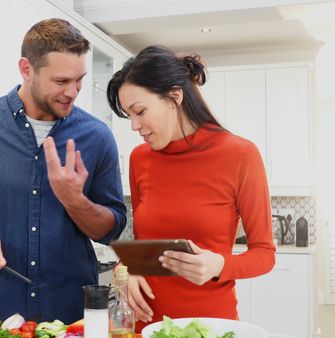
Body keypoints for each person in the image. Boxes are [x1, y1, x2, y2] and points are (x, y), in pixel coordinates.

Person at [0, 18, 127, 324]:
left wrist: (75, 201)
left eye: (79, 80)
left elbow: (111, 229)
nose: (73, 92)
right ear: (26, 69)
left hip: (73, 319)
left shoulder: (97, 137)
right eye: (61, 81)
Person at [106, 45, 275, 331]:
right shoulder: (140, 158)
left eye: (140, 111)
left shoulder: (241, 155)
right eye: (128, 115)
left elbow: (264, 254)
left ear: (174, 97)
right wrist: (126, 269)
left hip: (208, 325)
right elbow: (143, 247)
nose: (135, 126)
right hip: (146, 324)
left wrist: (219, 265)